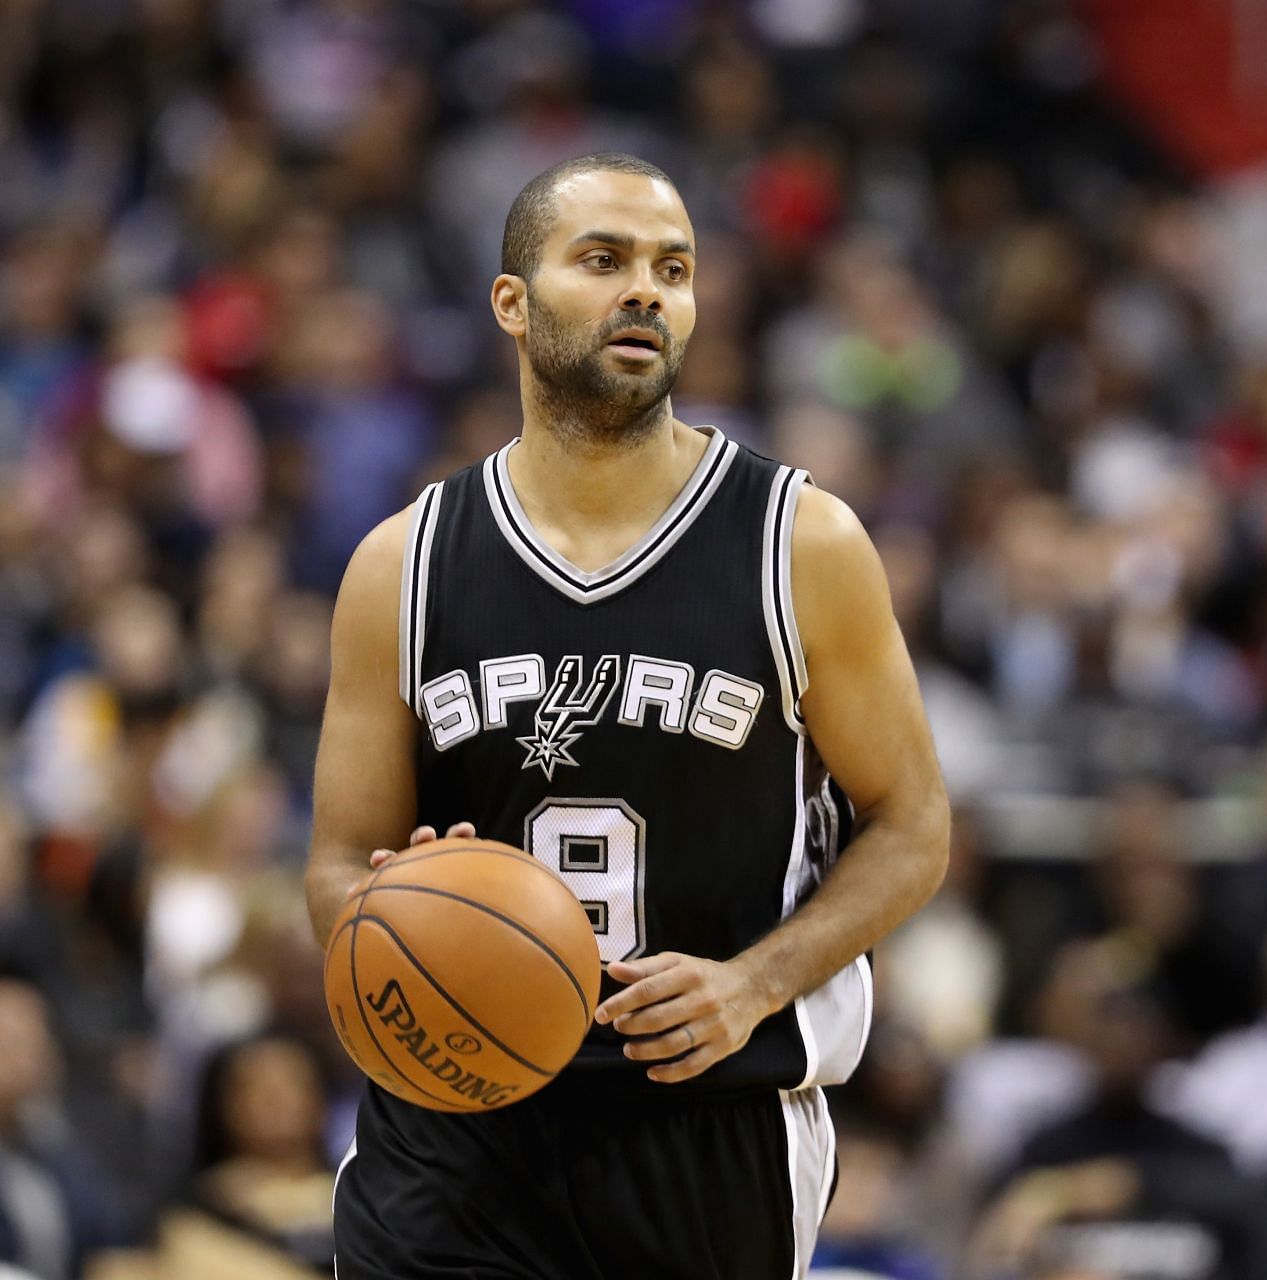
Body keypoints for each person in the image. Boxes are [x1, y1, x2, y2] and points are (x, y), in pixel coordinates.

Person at [303, 153, 951, 1278]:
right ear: (513, 302)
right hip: (454, 1130)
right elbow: (328, 866)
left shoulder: (801, 544)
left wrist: (754, 981)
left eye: (674, 267)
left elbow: (913, 824)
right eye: (602, 260)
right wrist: (401, 914)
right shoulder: (402, 564)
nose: (645, 290)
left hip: (706, 1120)